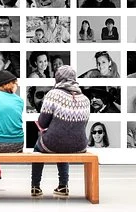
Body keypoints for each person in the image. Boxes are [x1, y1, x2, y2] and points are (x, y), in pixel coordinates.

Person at [29, 65, 89, 197]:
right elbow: (82, 126)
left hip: (53, 143)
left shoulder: (52, 95)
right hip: (80, 146)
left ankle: (35, 187)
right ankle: (63, 186)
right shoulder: (85, 99)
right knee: (64, 142)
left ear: (58, 78)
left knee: (39, 149)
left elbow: (42, 123)